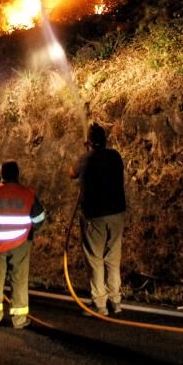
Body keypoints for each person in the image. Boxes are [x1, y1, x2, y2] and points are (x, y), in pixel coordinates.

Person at [0, 160, 46, 328]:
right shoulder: (27, 193)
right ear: (17, 174)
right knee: (19, 278)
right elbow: (39, 219)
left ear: (2, 174)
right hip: (20, 242)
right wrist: (30, 229)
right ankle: (19, 320)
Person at [69, 122, 126, 316]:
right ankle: (116, 302)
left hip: (95, 216)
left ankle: (100, 305)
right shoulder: (115, 156)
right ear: (106, 139)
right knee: (113, 259)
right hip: (117, 214)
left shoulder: (85, 159)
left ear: (90, 142)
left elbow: (71, 173)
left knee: (95, 260)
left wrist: (86, 152)